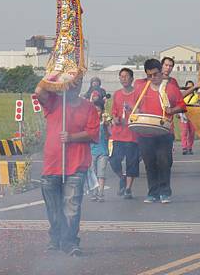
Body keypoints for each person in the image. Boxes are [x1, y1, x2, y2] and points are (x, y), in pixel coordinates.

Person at [34, 79, 100, 256]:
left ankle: (70, 241)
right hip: (52, 164)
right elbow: (39, 91)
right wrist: (54, 77)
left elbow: (93, 133)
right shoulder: (54, 101)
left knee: (72, 207)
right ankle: (55, 238)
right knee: (54, 209)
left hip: (76, 165)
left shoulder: (89, 107)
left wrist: (72, 137)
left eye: (76, 83)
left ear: (80, 85)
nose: (72, 86)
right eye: (69, 82)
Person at [134, 59, 186, 204]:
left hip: (164, 132)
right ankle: (153, 192)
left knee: (163, 161)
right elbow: (135, 105)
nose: (153, 78)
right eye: (149, 75)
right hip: (145, 132)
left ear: (161, 73)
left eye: (155, 75)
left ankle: (165, 192)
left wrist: (171, 110)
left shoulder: (170, 88)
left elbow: (182, 105)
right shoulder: (141, 88)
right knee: (149, 163)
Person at [109, 68, 139, 199]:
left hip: (132, 134)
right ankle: (122, 177)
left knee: (132, 163)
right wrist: (114, 118)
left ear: (132, 78)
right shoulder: (116, 94)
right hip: (118, 134)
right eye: (121, 76)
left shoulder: (137, 94)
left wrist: (131, 108)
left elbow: (141, 111)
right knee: (114, 161)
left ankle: (128, 188)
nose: (124, 78)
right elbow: (114, 111)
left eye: (126, 76)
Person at [90, 102, 110, 202]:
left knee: (101, 173)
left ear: (102, 112)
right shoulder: (89, 123)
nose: (96, 113)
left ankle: (101, 192)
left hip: (103, 152)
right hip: (91, 152)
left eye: (98, 111)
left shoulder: (105, 123)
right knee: (93, 173)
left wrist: (106, 127)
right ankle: (94, 192)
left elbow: (108, 136)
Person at [180, 80, 199, 155]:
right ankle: (184, 147)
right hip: (183, 115)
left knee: (192, 132)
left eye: (191, 87)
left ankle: (189, 147)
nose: (190, 88)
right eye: (188, 87)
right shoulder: (182, 95)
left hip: (193, 115)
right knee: (184, 131)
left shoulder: (196, 96)